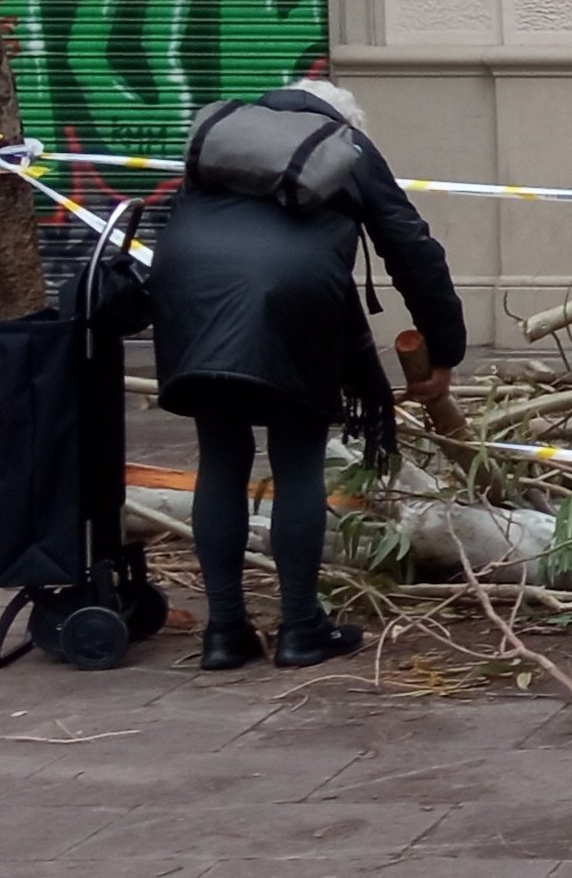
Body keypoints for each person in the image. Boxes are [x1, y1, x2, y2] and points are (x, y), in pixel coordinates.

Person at [147, 78, 462, 670]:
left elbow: (184, 217)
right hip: (291, 300)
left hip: (188, 293)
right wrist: (445, 348)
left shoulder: (225, 134)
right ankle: (299, 628)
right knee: (296, 462)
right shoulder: (349, 147)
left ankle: (224, 633)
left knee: (219, 457)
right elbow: (411, 247)